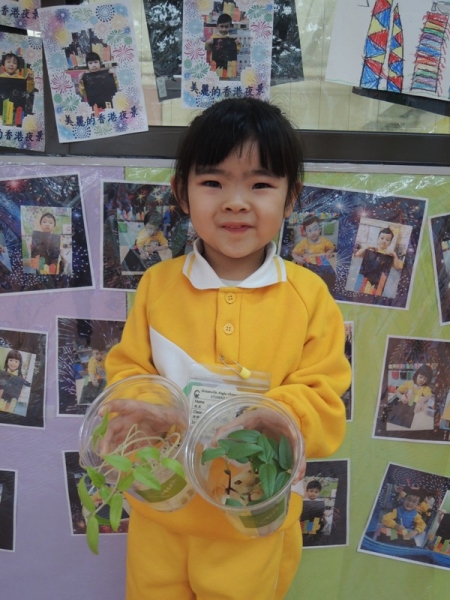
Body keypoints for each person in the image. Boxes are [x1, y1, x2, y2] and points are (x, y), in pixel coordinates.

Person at [104, 98, 351, 600]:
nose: (236, 202)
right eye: (213, 182)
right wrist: (148, 409)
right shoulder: (157, 286)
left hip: (252, 516)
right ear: (182, 192)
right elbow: (128, 370)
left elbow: (325, 396)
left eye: (260, 185)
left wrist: (277, 416)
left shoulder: (308, 296)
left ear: (291, 197)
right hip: (162, 506)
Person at [291, 214, 336, 290]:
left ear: (319, 229)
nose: (313, 232)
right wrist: (297, 258)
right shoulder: (304, 243)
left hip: (322, 265)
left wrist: (329, 251)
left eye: (315, 229)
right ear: (305, 233)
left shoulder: (324, 241)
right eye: (309, 230)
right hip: (310, 265)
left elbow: (332, 247)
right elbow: (294, 252)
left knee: (331, 275)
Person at [205, 13, 242, 78]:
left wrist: (239, 44)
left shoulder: (231, 39)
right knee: (215, 80)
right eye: (221, 26)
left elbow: (237, 51)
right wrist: (208, 43)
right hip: (215, 65)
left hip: (228, 66)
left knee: (225, 80)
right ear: (217, 26)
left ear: (230, 26)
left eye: (226, 27)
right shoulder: (214, 37)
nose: (224, 29)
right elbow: (208, 48)